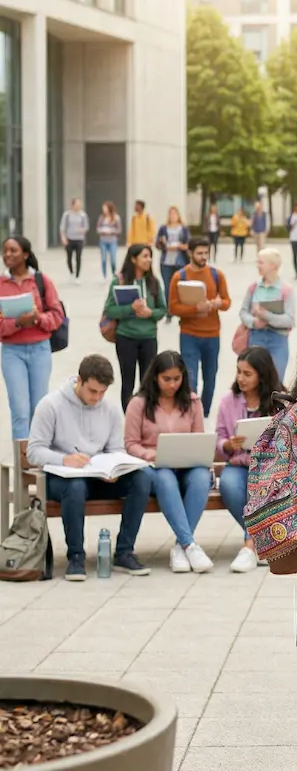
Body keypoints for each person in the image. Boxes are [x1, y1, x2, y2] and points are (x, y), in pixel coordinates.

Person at [27, 354, 151, 581]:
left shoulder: (110, 410)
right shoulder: (50, 405)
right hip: (61, 479)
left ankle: (124, 552)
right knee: (75, 487)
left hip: (98, 477)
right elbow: (34, 451)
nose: (97, 397)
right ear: (79, 380)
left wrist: (114, 469)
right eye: (93, 391)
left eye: (102, 392)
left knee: (141, 480)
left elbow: (115, 449)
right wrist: (65, 459)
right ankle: (76, 557)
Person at [125, 350, 213, 574]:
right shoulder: (138, 403)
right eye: (166, 379)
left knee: (201, 478)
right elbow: (131, 443)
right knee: (165, 478)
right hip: (155, 467)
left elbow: (198, 439)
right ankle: (189, 545)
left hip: (186, 465)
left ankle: (180, 547)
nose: (172, 384)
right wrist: (150, 454)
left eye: (177, 378)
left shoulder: (192, 402)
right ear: (155, 377)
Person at [216, 346, 283, 573]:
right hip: (237, 463)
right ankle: (261, 541)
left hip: (267, 465)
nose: (240, 378)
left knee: (260, 486)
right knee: (228, 485)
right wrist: (227, 445)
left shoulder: (278, 399)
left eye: (247, 373)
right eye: (238, 372)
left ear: (262, 375)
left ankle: (249, 546)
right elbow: (219, 438)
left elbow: (289, 436)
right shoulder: (228, 401)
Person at [0, 237, 63, 441]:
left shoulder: (42, 281)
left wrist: (38, 318)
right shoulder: (1, 284)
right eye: (5, 250)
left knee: (38, 408)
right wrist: (18, 322)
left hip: (40, 350)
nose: (7, 254)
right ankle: (22, 458)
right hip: (12, 352)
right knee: (20, 410)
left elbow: (57, 316)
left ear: (26, 254)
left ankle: (38, 453)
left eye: (13, 250)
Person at [169, 236, 231, 418]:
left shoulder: (217, 275)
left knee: (210, 378)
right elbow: (173, 307)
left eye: (206, 253)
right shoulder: (179, 277)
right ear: (190, 253)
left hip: (212, 334)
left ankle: (205, 413)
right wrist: (196, 308)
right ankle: (192, 414)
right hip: (189, 334)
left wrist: (218, 303)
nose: (204, 256)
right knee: (191, 378)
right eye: (199, 253)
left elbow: (227, 302)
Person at [104, 244, 166, 411]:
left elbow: (163, 310)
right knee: (127, 382)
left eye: (150, 256)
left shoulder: (154, 282)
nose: (149, 260)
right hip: (126, 338)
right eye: (144, 256)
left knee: (148, 382)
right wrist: (130, 308)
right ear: (133, 259)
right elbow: (109, 310)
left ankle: (147, 415)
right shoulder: (119, 281)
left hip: (149, 338)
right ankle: (129, 416)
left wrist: (150, 313)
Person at [238, 248, 295, 382]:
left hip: (278, 340)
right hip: (256, 338)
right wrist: (254, 322)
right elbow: (243, 312)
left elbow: (289, 320)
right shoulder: (253, 288)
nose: (257, 265)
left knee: (276, 381)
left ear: (273, 266)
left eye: (261, 262)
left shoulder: (286, 290)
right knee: (254, 382)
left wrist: (266, 316)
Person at [155, 205, 190, 321]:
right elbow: (157, 245)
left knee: (181, 287)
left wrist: (181, 246)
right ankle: (169, 312)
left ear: (178, 215)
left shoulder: (183, 229)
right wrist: (162, 243)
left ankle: (181, 310)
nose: (173, 216)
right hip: (166, 262)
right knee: (167, 287)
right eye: (171, 214)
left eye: (175, 214)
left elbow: (189, 244)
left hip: (180, 261)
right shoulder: (163, 228)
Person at [59, 198, 89, 284]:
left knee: (78, 257)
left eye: (79, 204)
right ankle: (71, 272)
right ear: (73, 205)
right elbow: (62, 227)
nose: (78, 206)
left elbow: (86, 226)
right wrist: (63, 237)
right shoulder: (67, 215)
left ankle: (77, 276)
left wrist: (82, 230)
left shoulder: (83, 215)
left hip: (79, 239)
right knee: (69, 258)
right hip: (69, 238)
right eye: (77, 204)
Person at [97, 201, 122, 281]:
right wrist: (102, 231)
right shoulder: (101, 218)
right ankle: (104, 276)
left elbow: (119, 230)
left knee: (113, 259)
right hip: (103, 241)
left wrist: (111, 231)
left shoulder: (116, 218)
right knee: (103, 258)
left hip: (112, 241)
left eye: (105, 208)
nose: (104, 210)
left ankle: (113, 273)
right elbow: (98, 228)